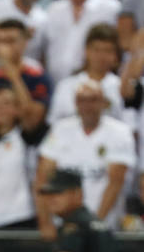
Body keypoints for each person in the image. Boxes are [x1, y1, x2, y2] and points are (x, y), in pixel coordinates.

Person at [35, 81, 136, 235]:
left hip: (104, 225)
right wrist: (45, 222)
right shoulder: (60, 129)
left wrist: (94, 224)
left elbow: (115, 182)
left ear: (104, 103)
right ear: (75, 103)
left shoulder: (120, 132)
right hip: (64, 225)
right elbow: (42, 176)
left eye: (93, 99)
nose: (87, 105)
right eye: (82, 100)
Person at [0, 85, 38, 229]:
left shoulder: (26, 137)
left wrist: (10, 70)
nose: (0, 109)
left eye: (6, 103)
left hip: (19, 217)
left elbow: (31, 112)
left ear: (18, 109)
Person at [40, 0, 120, 83]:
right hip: (55, 83)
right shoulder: (54, 9)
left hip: (96, 84)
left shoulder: (111, 8)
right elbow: (44, 48)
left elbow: (119, 48)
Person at [0, 19, 52, 137]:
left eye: (10, 41)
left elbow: (32, 123)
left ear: (24, 43)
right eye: (0, 41)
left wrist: (11, 71)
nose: (4, 47)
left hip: (29, 146)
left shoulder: (38, 77)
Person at [48, 24, 127, 125]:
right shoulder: (66, 86)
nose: (101, 56)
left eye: (107, 50)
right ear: (86, 51)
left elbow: (128, 127)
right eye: (96, 50)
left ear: (116, 55)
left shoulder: (122, 88)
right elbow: (54, 124)